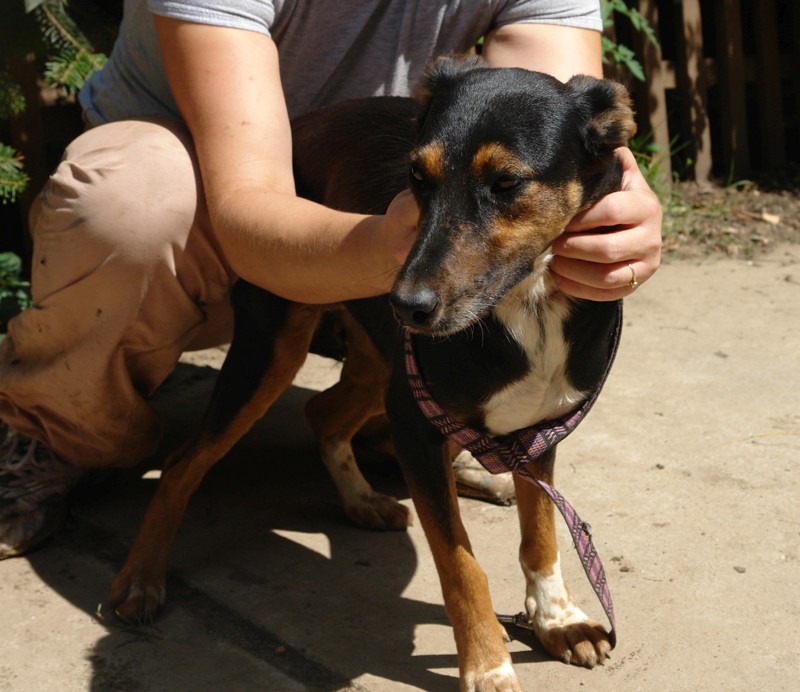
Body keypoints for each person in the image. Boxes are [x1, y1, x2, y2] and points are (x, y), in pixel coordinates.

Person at [0, 0, 662, 558]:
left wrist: (614, 220)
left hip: (370, 184)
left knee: (491, 248)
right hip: (197, 204)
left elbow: (551, 124)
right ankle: (56, 424)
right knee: (132, 205)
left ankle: (397, 418)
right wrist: (398, 256)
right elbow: (247, 208)